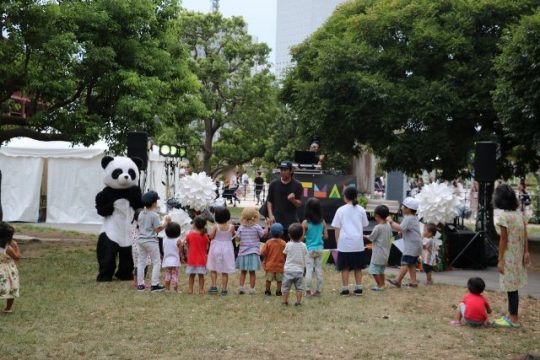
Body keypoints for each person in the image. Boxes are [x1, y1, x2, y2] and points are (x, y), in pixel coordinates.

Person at [492, 184, 531, 327]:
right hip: (518, 255)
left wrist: (500, 259)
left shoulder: (504, 217)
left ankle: (513, 318)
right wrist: (526, 252)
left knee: (511, 288)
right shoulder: (519, 215)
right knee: (514, 287)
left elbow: (503, 239)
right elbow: (525, 234)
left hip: (509, 256)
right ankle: (511, 315)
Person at [331, 186, 369, 296]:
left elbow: (336, 227)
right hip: (358, 243)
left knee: (344, 267)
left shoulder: (340, 210)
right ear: (355, 196)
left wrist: (337, 241)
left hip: (344, 243)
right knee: (358, 267)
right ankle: (358, 288)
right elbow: (365, 224)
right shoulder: (361, 209)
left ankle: (345, 289)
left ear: (346, 197)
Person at [137, 191, 170, 293]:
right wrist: (166, 222)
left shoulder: (141, 213)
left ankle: (140, 285)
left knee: (141, 262)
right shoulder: (154, 215)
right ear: (153, 203)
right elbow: (158, 229)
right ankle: (155, 285)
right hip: (151, 241)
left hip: (141, 240)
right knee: (156, 262)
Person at [387, 197, 422, 288]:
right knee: (411, 264)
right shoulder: (413, 217)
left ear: (409, 209)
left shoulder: (409, 218)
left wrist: (391, 222)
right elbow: (407, 229)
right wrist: (402, 231)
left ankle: (397, 281)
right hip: (416, 245)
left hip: (411, 246)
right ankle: (413, 282)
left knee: (405, 262)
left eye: (404, 207)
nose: (402, 208)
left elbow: (400, 228)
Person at [266, 160, 303, 240]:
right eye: (281, 169)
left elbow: (299, 204)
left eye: (285, 170)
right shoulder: (274, 184)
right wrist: (270, 215)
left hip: (291, 223)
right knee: (276, 248)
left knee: (290, 248)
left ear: (291, 171)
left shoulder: (297, 185)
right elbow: (269, 201)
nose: (282, 172)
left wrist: (293, 200)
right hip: (276, 222)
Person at [236, 207, 268, 294]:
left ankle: (241, 287)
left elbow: (237, 239)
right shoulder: (257, 227)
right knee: (252, 272)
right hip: (253, 252)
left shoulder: (241, 227)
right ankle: (252, 289)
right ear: (255, 216)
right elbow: (263, 235)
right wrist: (266, 227)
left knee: (243, 271)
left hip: (243, 252)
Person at [301, 197, 328, 297]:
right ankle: (318, 291)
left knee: (309, 270)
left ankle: (308, 291)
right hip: (320, 249)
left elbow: (301, 238)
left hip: (309, 250)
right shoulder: (323, 222)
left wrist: (307, 236)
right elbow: (326, 236)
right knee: (318, 270)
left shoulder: (305, 223)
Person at [207, 207, 236, 296]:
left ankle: (214, 286)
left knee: (213, 267)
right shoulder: (231, 226)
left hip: (216, 247)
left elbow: (211, 236)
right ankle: (224, 289)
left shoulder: (216, 226)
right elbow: (234, 235)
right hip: (227, 248)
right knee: (225, 270)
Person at [364, 205, 393, 291]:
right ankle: (382, 284)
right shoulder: (388, 225)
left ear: (377, 216)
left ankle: (379, 285)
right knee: (381, 270)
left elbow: (371, 238)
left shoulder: (378, 227)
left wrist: (365, 236)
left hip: (378, 253)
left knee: (373, 270)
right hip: (386, 253)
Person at [281, 223, 308, 306]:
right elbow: (305, 254)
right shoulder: (304, 245)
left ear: (289, 235)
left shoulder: (288, 245)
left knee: (286, 287)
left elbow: (284, 253)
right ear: (302, 235)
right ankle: (298, 302)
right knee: (299, 288)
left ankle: (285, 301)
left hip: (288, 270)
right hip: (299, 270)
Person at [185, 216, 210, 295]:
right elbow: (207, 247)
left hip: (192, 258)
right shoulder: (205, 236)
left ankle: (190, 289)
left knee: (191, 276)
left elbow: (187, 245)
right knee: (201, 276)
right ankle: (201, 290)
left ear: (194, 224)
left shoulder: (190, 235)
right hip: (202, 259)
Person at [260, 223, 287, 296]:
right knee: (279, 280)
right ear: (282, 233)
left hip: (269, 265)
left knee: (268, 279)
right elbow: (286, 253)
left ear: (270, 232)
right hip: (280, 265)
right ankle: (278, 291)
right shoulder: (283, 243)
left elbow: (263, 252)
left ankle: (267, 291)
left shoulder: (268, 242)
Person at [0, 222, 20, 314]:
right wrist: (16, 246)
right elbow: (17, 257)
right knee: (11, 288)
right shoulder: (7, 248)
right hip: (7, 271)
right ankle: (8, 308)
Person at [162, 222, 182, 292]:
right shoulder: (178, 240)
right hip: (175, 261)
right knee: (174, 275)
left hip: (166, 261)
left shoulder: (164, 239)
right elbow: (180, 251)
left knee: (167, 275)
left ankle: (167, 289)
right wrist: (182, 258)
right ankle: (176, 289)